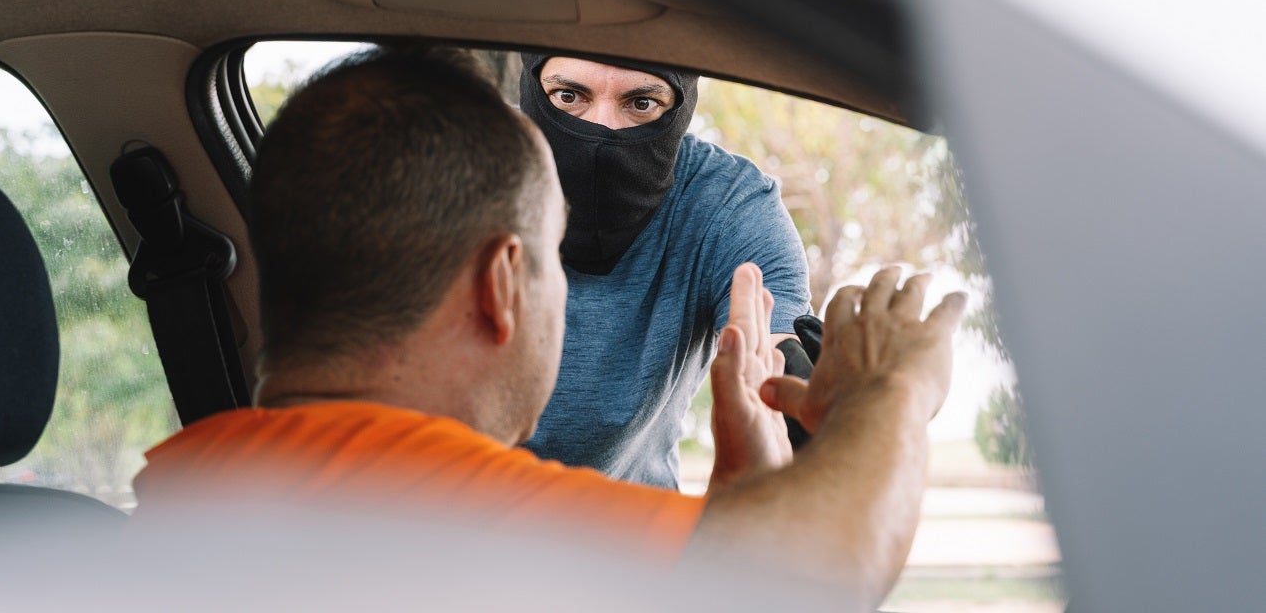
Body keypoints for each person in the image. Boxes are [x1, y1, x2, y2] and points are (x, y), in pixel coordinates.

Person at [130, 46, 965, 607]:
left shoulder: (181, 486)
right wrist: (893, 391)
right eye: (549, 258)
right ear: (502, 285)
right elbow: (814, 575)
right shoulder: (477, 521)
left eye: (638, 101)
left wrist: (746, 499)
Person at [517, 54, 813, 488]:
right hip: (440, 526)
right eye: (568, 96)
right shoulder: (460, 169)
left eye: (640, 104)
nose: (604, 130)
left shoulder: (728, 205)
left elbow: (777, 356)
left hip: (635, 538)